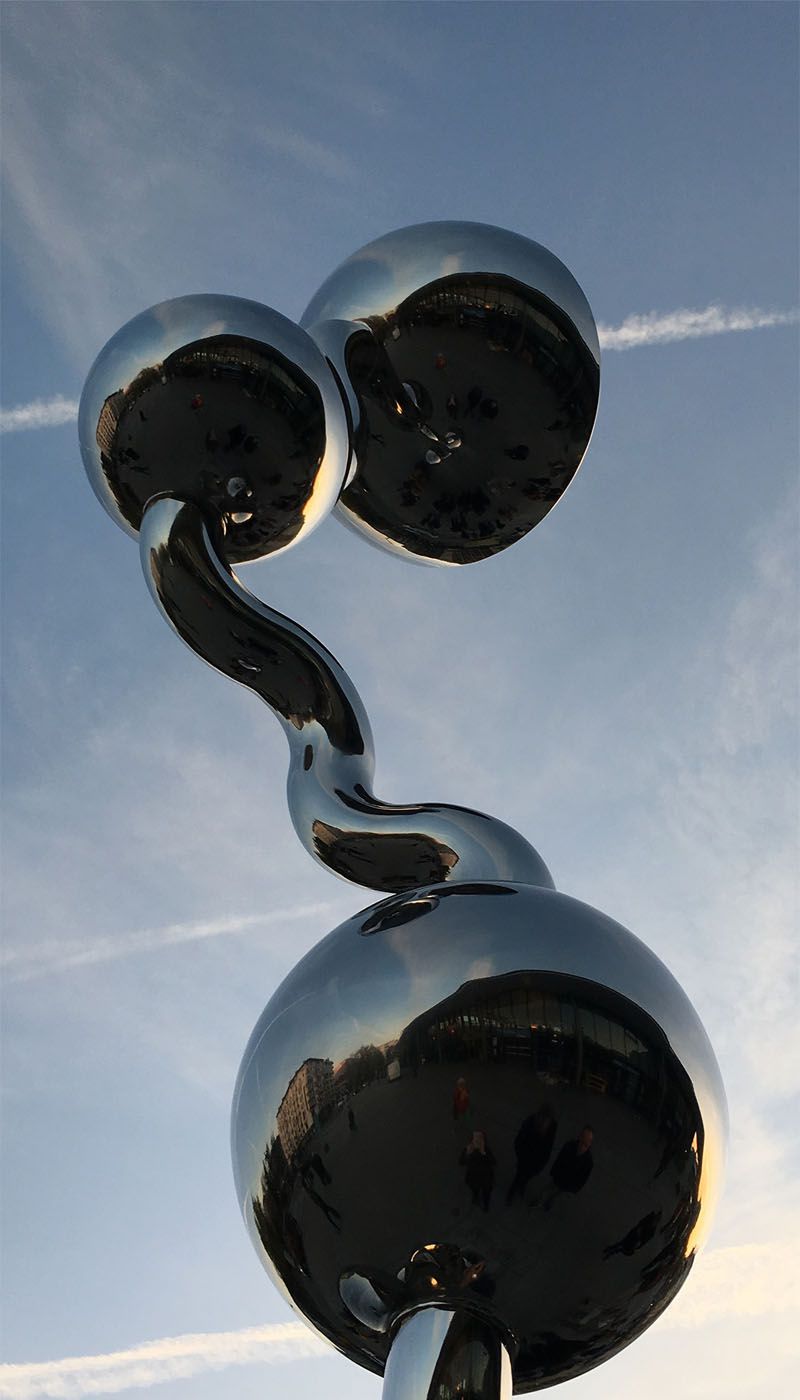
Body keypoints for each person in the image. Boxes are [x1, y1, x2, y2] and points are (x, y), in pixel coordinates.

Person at [506, 1104, 557, 1203]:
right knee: (518, 1177)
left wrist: (540, 1165)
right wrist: (521, 1157)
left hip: (535, 1165)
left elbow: (548, 1148)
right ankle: (512, 1192)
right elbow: (518, 1142)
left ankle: (521, 1187)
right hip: (525, 1160)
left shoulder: (552, 1128)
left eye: (547, 1121)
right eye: (543, 1121)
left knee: (526, 1178)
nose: (544, 1124)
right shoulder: (529, 1124)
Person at [537, 1126, 594, 1210]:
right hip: (559, 1177)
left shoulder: (588, 1161)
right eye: (583, 1138)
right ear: (580, 1136)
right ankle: (540, 1201)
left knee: (556, 1193)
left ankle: (549, 1201)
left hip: (568, 1184)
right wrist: (554, 1171)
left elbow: (583, 1177)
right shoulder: (569, 1146)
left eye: (586, 1142)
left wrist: (574, 1188)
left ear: (590, 1143)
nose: (583, 1143)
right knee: (548, 1188)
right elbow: (559, 1159)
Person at [460, 1129, 496, 1212]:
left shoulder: (471, 1151)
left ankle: (478, 1200)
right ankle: (485, 1205)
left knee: (478, 1191)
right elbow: (493, 1162)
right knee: (485, 1194)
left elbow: (461, 1161)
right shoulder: (485, 1151)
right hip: (484, 1179)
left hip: (476, 1179)